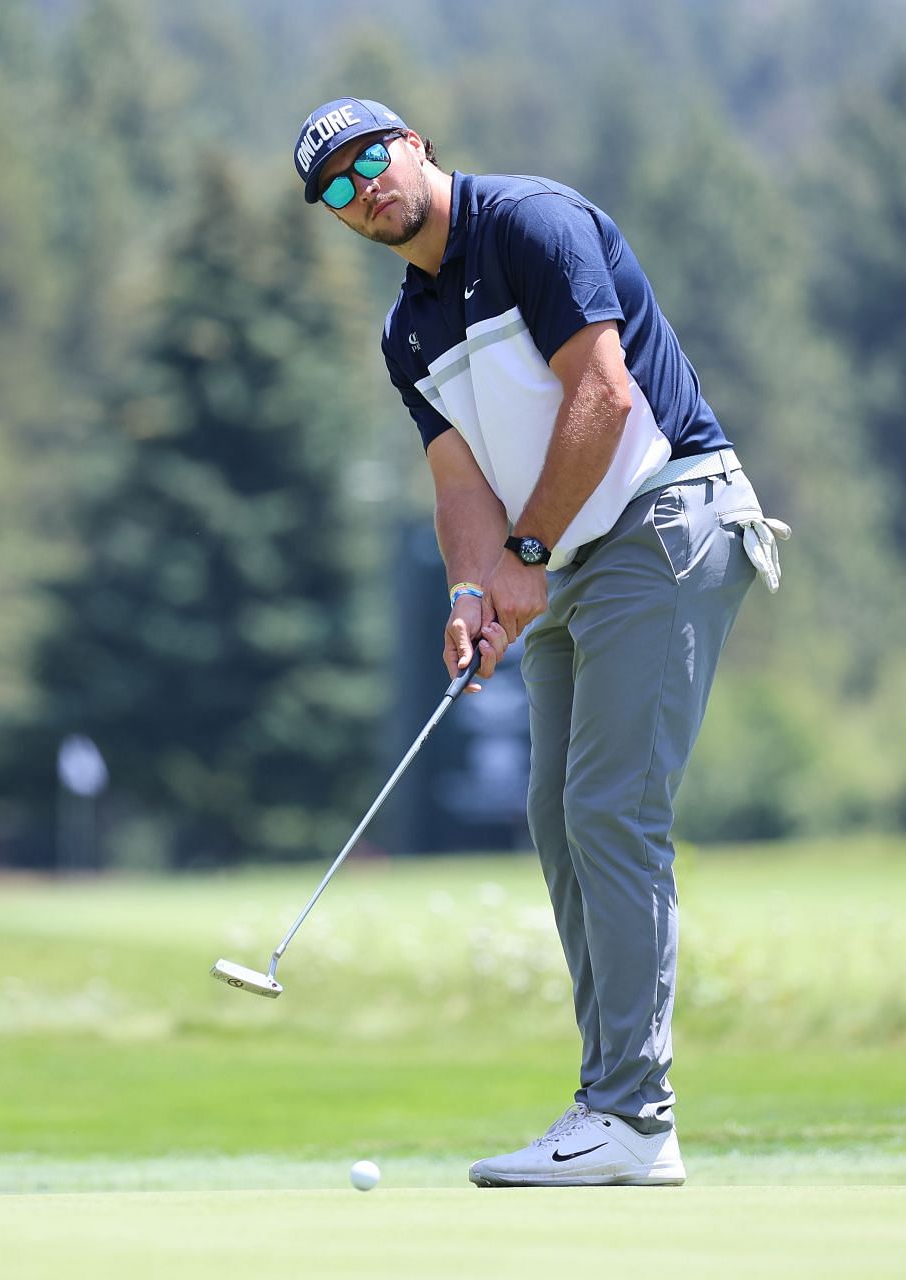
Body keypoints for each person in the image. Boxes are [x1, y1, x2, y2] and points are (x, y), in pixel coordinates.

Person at [292, 99, 789, 1187]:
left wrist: (524, 549)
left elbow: (603, 396)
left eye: (371, 159)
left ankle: (634, 1114)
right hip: (571, 554)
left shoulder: (530, 222)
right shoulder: (405, 328)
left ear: (415, 144)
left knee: (612, 806)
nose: (362, 188)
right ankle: (606, 1104)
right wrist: (476, 584)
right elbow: (457, 478)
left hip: (666, 517)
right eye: (335, 187)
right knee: (559, 819)